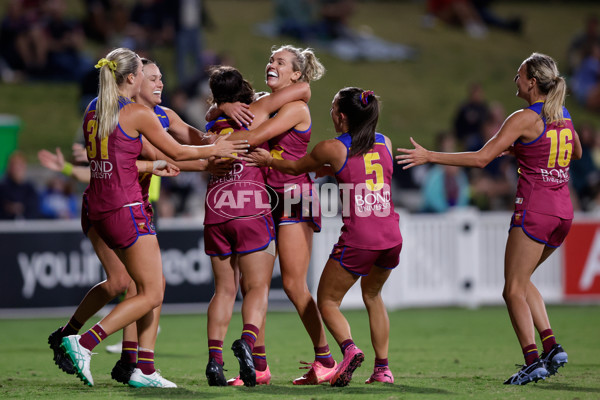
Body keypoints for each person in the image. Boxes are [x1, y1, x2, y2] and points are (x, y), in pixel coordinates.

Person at [56, 47, 247, 388]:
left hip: (101, 205)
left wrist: (211, 137)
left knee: (129, 285)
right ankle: (85, 343)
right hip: (126, 207)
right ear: (133, 78)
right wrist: (213, 151)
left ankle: (133, 363)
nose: (156, 82)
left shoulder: (93, 108)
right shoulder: (138, 115)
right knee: (151, 291)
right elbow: (176, 152)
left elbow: (160, 152)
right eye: (149, 76)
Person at [396, 53, 582, 385]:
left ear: (532, 83)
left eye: (519, 74)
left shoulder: (524, 118)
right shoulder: (562, 113)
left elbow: (482, 158)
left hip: (535, 209)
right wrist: (527, 150)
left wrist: (430, 156)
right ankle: (551, 347)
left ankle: (531, 359)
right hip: (563, 212)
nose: (515, 78)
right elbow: (576, 153)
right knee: (524, 281)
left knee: (512, 290)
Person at [245, 87, 402, 386]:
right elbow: (369, 173)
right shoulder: (385, 142)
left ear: (341, 116)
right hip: (391, 235)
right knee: (373, 295)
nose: (330, 113)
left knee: (327, 300)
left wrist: (268, 161)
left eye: (332, 108)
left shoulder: (332, 147)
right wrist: (334, 170)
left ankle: (349, 349)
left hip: (360, 237)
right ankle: (383, 369)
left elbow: (295, 166)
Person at [218, 45, 337, 385]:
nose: (271, 65)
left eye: (280, 62)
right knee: (255, 285)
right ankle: (259, 367)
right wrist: (224, 105)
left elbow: (254, 136)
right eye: (271, 60)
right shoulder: (268, 102)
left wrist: (213, 146)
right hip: (265, 198)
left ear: (296, 75)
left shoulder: (297, 107)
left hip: (296, 198)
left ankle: (325, 360)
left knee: (293, 285)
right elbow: (221, 112)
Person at [202, 65, 311, 387]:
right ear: (245, 90)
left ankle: (214, 360)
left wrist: (220, 107)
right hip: (250, 208)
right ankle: (248, 343)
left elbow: (205, 125)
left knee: (223, 289)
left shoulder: (210, 124)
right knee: (258, 287)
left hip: (216, 209)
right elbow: (303, 90)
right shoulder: (257, 110)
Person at [0, 151, 40, 219]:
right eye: (14, 166)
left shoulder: (30, 188)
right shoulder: (3, 188)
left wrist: (22, 208)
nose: (17, 169)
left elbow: (34, 209)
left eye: (20, 165)